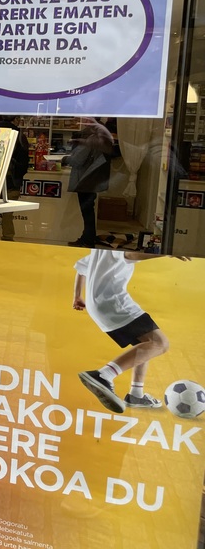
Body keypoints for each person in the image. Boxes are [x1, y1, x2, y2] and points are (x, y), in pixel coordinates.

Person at [74, 248, 189, 413]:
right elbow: (130, 254)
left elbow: (81, 267)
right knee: (160, 343)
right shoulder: (117, 244)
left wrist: (77, 296)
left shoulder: (98, 248)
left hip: (98, 305)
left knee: (146, 344)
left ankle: (136, 394)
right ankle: (103, 375)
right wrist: (166, 252)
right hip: (113, 302)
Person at [64, 117, 115, 248]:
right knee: (88, 211)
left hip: (85, 179)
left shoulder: (91, 137)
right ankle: (88, 238)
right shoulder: (102, 134)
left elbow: (77, 160)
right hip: (93, 179)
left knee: (87, 212)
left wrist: (64, 159)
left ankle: (87, 239)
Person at [0, 116, 30, 241]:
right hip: (11, 179)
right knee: (8, 212)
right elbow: (24, 162)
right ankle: (8, 237)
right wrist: (18, 175)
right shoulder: (20, 136)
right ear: (15, 120)